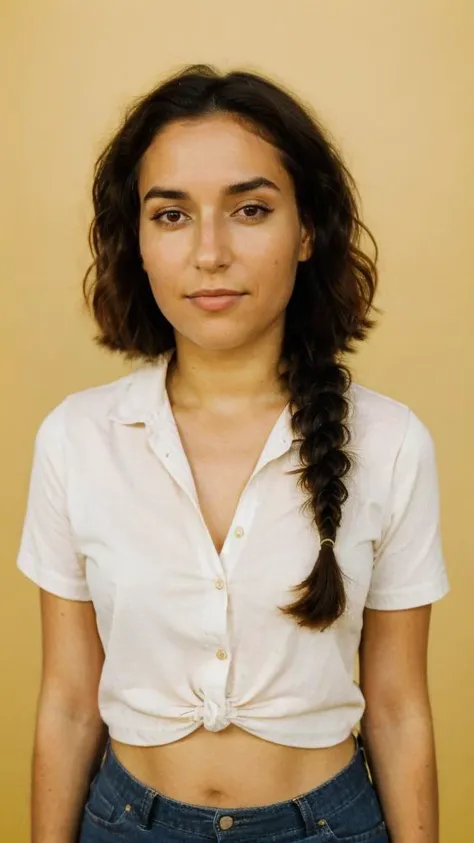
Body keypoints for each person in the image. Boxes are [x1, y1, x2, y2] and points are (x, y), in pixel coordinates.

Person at [16, 63, 450, 843]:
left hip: (329, 825)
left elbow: (398, 706)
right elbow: (70, 700)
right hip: (123, 823)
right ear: (138, 241)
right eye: (172, 215)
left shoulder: (390, 442)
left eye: (250, 209)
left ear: (308, 229)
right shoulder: (75, 440)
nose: (210, 252)